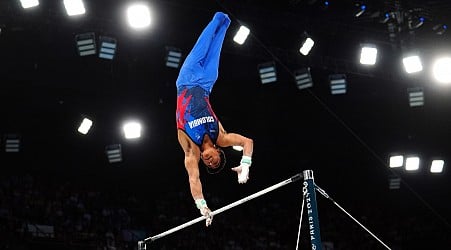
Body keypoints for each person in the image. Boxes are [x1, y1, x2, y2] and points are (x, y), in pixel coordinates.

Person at [176, 12, 254, 227]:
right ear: (219, 151)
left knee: (206, 39)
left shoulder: (191, 150)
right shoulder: (221, 136)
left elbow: (194, 179)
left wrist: (202, 206)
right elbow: (248, 142)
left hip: (186, 80)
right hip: (208, 83)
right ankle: (225, 20)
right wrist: (245, 165)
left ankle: (218, 18)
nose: (210, 161)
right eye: (215, 160)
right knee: (220, 35)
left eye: (209, 163)